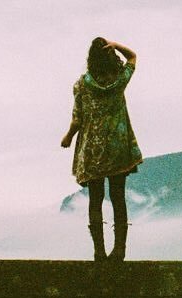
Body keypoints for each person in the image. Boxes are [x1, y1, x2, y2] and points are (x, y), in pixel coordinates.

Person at [61, 37, 143, 262]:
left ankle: (99, 251)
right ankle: (119, 251)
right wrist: (117, 45)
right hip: (118, 149)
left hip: (92, 150)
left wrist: (68, 137)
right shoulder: (119, 81)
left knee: (95, 200)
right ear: (109, 57)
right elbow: (133, 57)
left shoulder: (81, 85)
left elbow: (77, 119)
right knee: (118, 198)